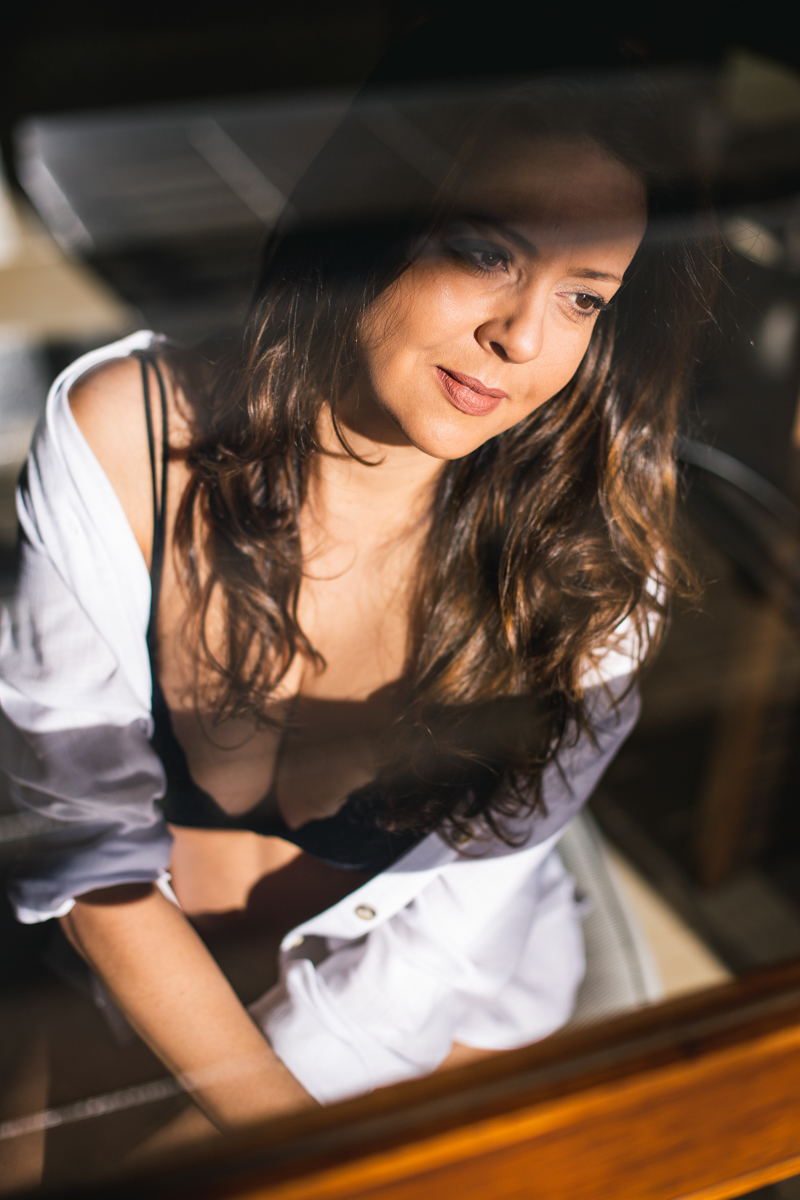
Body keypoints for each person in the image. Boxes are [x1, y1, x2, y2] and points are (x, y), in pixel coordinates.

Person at [0, 73, 716, 1135]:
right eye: (484, 253)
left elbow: (412, 973)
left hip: (413, 1015)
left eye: (580, 297)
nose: (520, 337)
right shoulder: (128, 434)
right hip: (113, 969)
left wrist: (263, 1150)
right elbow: (79, 850)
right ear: (370, 216)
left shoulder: (597, 580)